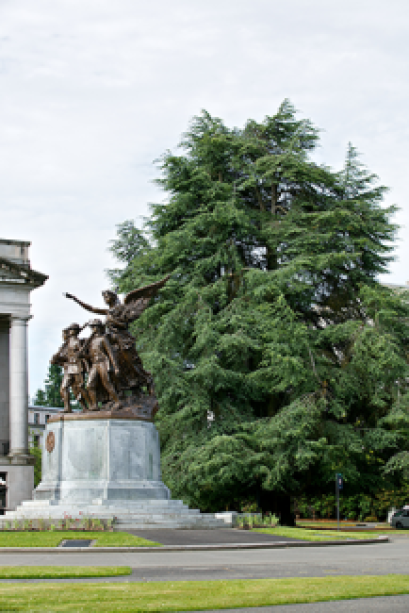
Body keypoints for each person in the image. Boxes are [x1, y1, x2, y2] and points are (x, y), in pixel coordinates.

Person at [81, 319, 121, 411]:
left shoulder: (103, 339)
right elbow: (90, 355)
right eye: (92, 327)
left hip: (103, 363)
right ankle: (94, 405)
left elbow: (110, 353)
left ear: (98, 328)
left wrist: (115, 367)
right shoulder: (91, 341)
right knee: (89, 385)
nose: (92, 329)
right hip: (95, 364)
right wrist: (83, 355)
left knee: (107, 383)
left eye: (94, 327)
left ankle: (118, 402)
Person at [51, 323, 89, 413]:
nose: (69, 331)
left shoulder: (78, 342)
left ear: (75, 331)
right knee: (63, 388)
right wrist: (57, 358)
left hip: (77, 367)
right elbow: (66, 357)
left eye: (71, 330)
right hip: (69, 368)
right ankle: (67, 408)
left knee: (79, 389)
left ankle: (87, 406)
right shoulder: (67, 343)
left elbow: (82, 355)